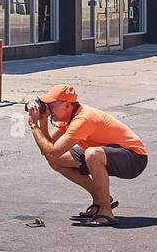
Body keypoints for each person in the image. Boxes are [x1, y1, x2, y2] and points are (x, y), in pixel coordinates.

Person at [27, 84, 148, 227]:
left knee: (92, 154)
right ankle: (101, 199)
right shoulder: (66, 117)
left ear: (67, 105)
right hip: (107, 153)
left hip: (134, 158)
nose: (48, 109)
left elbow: (52, 150)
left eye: (51, 105)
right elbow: (48, 151)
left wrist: (34, 126)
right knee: (56, 160)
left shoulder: (83, 119)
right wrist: (42, 121)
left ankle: (106, 212)